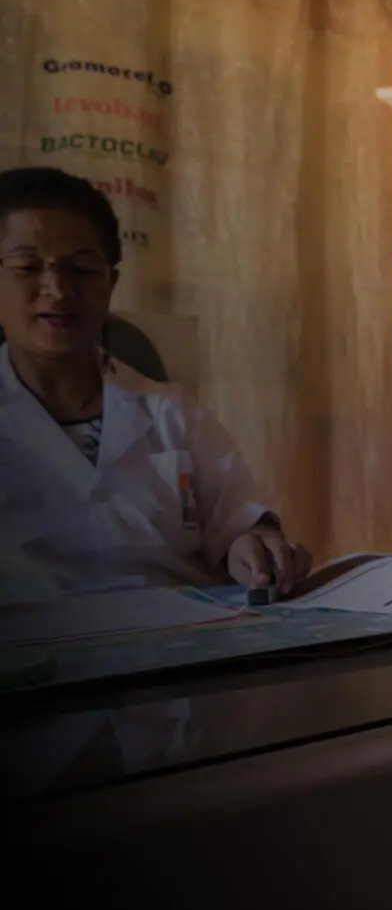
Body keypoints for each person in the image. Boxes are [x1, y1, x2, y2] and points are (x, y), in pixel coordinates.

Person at [0, 167, 312, 602]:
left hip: (183, 644)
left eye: (83, 269)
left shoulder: (171, 412)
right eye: (27, 267)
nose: (57, 288)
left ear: (111, 282)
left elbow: (239, 521)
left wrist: (255, 547)